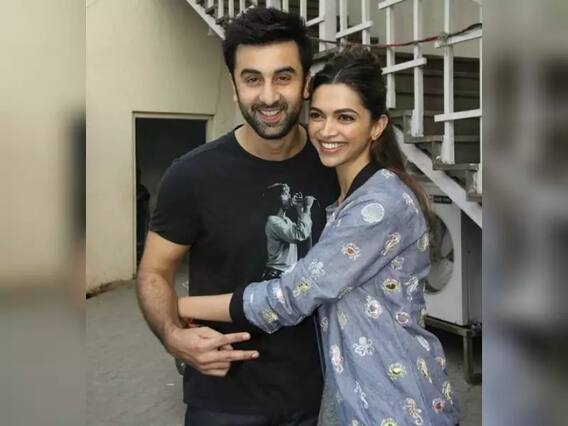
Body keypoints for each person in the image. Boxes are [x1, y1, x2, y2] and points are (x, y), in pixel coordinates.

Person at [178, 47, 462, 425]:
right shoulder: (346, 194)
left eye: (345, 117)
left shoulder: (378, 206)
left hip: (395, 402)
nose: (326, 131)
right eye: (317, 115)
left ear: (377, 126)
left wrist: (182, 306)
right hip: (360, 399)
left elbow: (292, 296)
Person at [136, 7, 337, 426]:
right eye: (252, 79)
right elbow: (154, 272)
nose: (268, 96)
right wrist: (173, 336)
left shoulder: (336, 168)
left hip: (319, 394)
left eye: (283, 77)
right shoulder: (192, 175)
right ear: (234, 86)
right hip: (223, 397)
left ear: (306, 83)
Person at [261, 183, 316, 280]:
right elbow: (301, 234)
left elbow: (305, 235)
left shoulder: (287, 221)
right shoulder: (273, 221)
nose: (290, 196)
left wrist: (300, 209)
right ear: (276, 198)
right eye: (285, 194)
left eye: (289, 193)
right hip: (276, 275)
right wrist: (307, 208)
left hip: (286, 274)